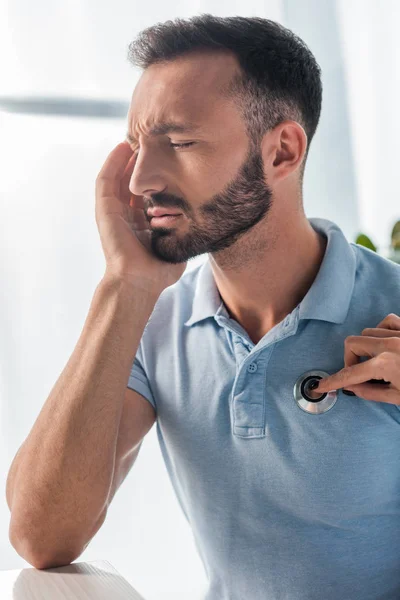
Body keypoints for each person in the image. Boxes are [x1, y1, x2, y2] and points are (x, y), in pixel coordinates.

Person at [6, 14, 400, 600]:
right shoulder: (151, 324)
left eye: (180, 143)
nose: (140, 180)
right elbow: (42, 538)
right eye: (138, 146)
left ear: (283, 152)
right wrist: (124, 285)